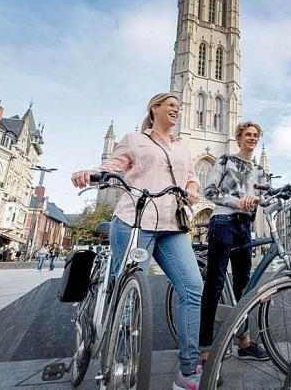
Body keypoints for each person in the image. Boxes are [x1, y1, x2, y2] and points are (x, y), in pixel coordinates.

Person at [71, 92, 204, 390]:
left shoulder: (182, 146)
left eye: (178, 107)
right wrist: (90, 174)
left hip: (171, 224)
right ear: (153, 108)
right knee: (129, 295)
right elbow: (110, 168)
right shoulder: (134, 139)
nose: (176, 109)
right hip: (135, 220)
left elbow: (191, 176)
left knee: (193, 287)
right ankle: (119, 361)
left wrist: (192, 189)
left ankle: (188, 371)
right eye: (170, 104)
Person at [200, 121, 269, 367]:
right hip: (222, 221)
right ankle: (205, 349)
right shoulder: (225, 160)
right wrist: (236, 201)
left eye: (256, 135)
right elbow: (208, 191)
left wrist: (258, 198)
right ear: (239, 138)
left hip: (244, 227)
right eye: (248, 134)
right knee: (215, 283)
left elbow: (266, 197)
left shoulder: (259, 169)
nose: (252, 138)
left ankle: (244, 342)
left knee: (244, 285)